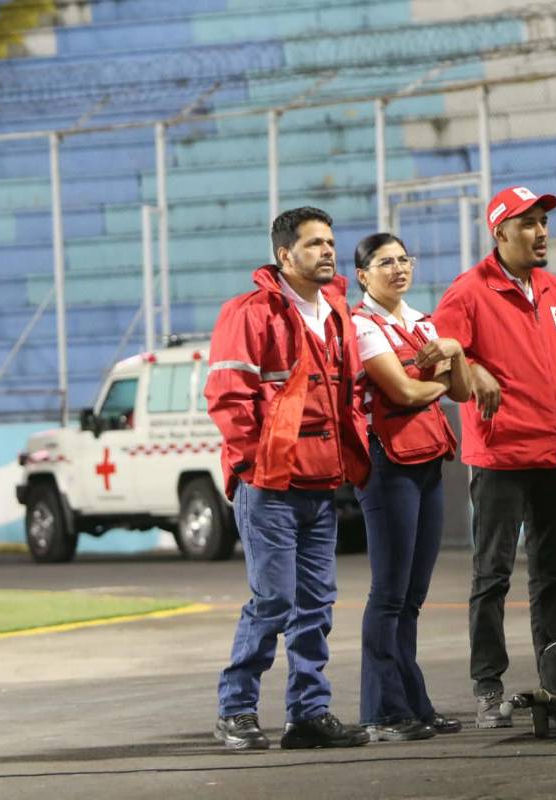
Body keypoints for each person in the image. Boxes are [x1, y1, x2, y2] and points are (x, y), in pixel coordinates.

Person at [206, 207, 372, 750]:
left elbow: (346, 394)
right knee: (273, 600)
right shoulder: (250, 313)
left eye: (330, 242)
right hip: (270, 487)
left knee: (316, 604)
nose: (328, 251)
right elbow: (229, 399)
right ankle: (236, 710)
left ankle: (308, 713)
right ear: (285, 256)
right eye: (314, 244)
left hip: (321, 485)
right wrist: (257, 464)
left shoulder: (337, 311)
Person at [430, 186, 556, 729]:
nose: (542, 232)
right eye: (529, 224)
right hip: (501, 456)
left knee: (554, 574)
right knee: (492, 574)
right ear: (499, 233)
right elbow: (436, 359)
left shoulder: (555, 291)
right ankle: (488, 685)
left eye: (544, 221)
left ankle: (555, 678)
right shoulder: (468, 293)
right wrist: (472, 371)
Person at [350, 233, 473, 742]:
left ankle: (413, 703)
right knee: (389, 593)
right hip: (387, 465)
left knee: (413, 596)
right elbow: (401, 390)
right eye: (385, 262)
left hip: (425, 461)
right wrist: (436, 376)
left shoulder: (422, 323)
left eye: (404, 259)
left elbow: (460, 390)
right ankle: (381, 712)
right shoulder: (361, 326)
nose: (398, 269)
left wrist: (456, 351)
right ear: (363, 275)